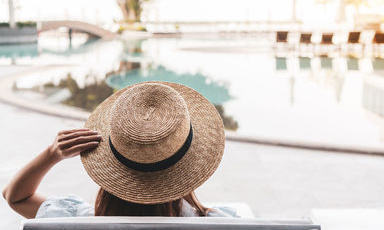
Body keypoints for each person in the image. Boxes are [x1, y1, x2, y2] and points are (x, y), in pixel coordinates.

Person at [3, 82, 238, 218]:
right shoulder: (218, 224)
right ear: (187, 168)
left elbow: (14, 197)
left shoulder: (76, 220)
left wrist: (51, 154)